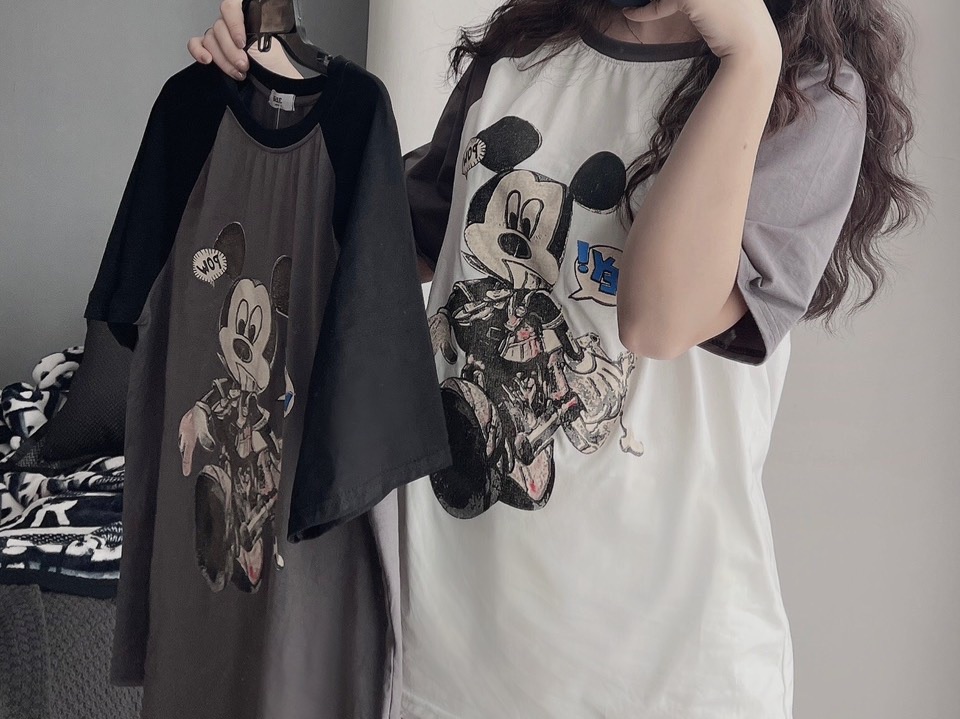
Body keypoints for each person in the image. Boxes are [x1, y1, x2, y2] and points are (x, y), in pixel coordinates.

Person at [190, 0, 922, 716]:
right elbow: (380, 240)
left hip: (660, 684)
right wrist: (280, 82)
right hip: (442, 667)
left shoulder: (803, 90)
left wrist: (750, 58)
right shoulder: (528, 46)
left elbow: (658, 319)